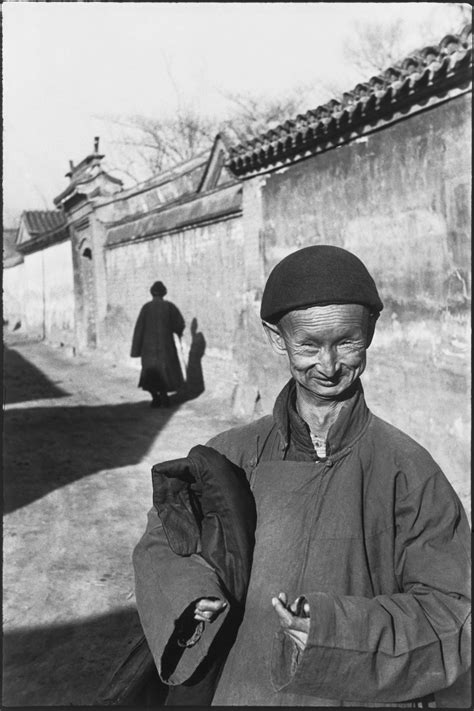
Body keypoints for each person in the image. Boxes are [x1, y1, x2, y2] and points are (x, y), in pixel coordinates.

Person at [133, 246, 470, 706]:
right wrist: (193, 594)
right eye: (309, 345)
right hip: (238, 689)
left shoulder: (407, 471)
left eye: (347, 342)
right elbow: (164, 543)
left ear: (370, 331)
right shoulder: (229, 455)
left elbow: (453, 611)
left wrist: (335, 632)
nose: (329, 366)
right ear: (277, 339)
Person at [131, 281, 185, 408]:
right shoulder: (169, 307)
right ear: (164, 293)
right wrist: (178, 332)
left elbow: (139, 329)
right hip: (165, 348)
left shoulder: (146, 308)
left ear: (151, 293)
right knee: (165, 372)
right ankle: (164, 396)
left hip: (148, 349)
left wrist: (136, 350)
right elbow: (179, 324)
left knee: (150, 374)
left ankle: (156, 398)